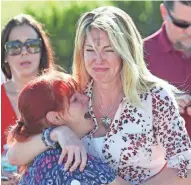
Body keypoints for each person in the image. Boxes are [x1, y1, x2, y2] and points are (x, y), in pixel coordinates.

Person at [7, 6, 191, 185]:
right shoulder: (74, 95)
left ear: (126, 51)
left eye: (108, 49)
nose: (98, 59)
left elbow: (185, 168)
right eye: (90, 50)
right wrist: (58, 133)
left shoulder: (156, 97)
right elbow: (15, 155)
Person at [8, 70, 128, 185]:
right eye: (75, 99)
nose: (86, 98)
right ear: (56, 118)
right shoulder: (74, 162)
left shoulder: (32, 160)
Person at [1, 13, 55, 184]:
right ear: (5, 56)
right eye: (14, 47)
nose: (24, 52)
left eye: (32, 45)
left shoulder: (61, 94)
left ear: (42, 51)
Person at [144, 0, 191, 138]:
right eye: (182, 24)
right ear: (164, 12)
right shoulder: (140, 56)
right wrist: (163, 103)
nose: (189, 31)